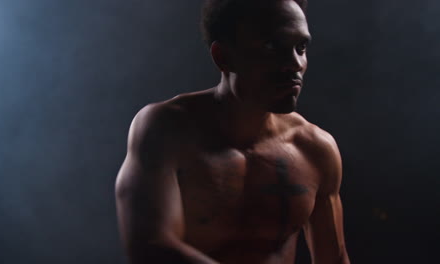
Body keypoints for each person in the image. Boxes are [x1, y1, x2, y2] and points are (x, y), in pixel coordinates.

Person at [115, 0, 351, 263]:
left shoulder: (315, 149)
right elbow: (150, 246)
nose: (295, 63)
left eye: (301, 47)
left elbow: (334, 258)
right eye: (273, 46)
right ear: (223, 57)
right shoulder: (167, 130)